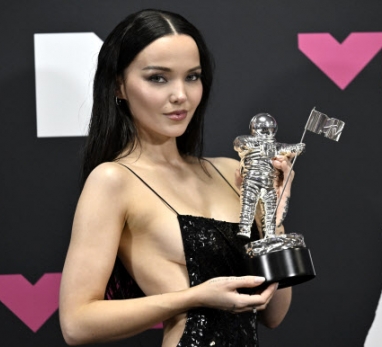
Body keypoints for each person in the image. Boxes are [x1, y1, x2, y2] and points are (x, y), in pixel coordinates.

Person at [59, 9, 295, 347]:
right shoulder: (114, 180)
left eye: (192, 77)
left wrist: (273, 222)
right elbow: (76, 323)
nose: (180, 95)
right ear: (119, 86)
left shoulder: (231, 171)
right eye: (158, 78)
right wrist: (194, 297)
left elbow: (273, 315)